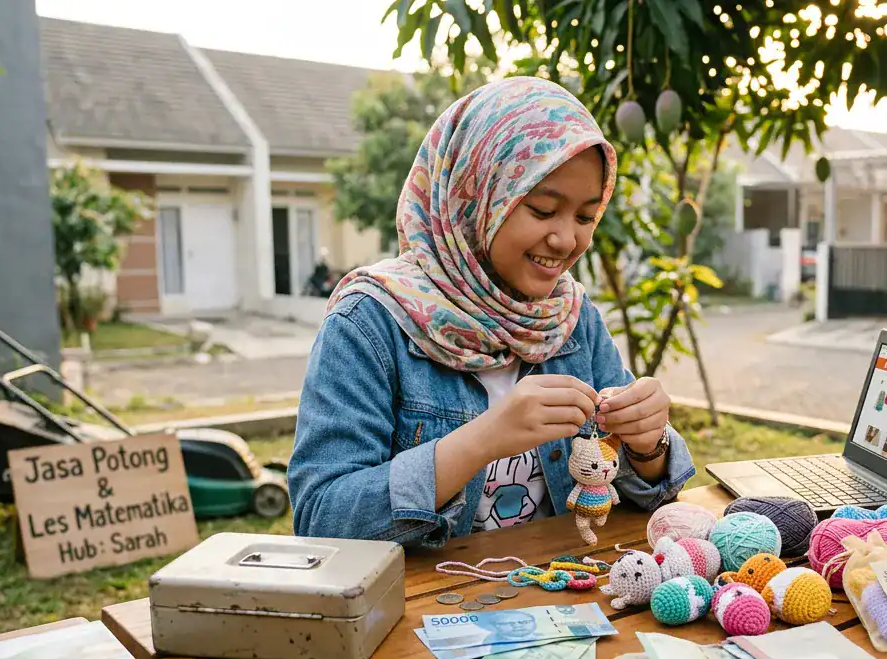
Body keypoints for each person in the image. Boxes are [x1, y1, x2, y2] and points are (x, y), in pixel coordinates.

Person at [289, 77, 695, 547]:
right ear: (475, 196)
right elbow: (321, 517)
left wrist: (649, 445)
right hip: (433, 593)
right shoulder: (370, 323)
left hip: (564, 584)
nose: (567, 239)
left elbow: (640, 496)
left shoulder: (569, 317)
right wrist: (480, 441)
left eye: (585, 217)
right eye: (543, 210)